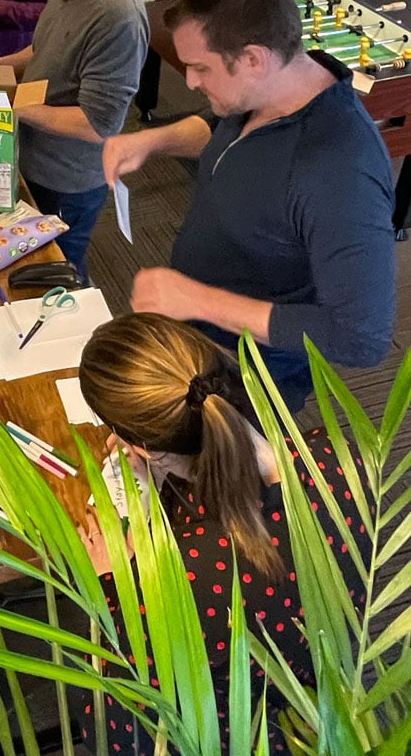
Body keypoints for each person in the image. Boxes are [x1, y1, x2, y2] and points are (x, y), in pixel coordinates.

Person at [103, 0, 396, 410]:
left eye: (200, 67)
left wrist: (198, 300)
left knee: (221, 478)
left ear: (254, 58)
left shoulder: (340, 170)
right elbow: (226, 135)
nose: (190, 81)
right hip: (195, 334)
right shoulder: (266, 91)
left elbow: (360, 336)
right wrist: (156, 140)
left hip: (250, 378)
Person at [76, 311, 369, 754]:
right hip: (322, 687)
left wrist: (109, 583)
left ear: (139, 447)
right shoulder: (341, 461)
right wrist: (160, 463)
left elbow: (116, 718)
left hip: (236, 732)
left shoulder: (173, 577)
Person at [0, 0, 149, 283]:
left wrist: (18, 107)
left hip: (68, 182)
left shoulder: (118, 18)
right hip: (34, 161)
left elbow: (97, 124)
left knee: (60, 272)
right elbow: (43, 50)